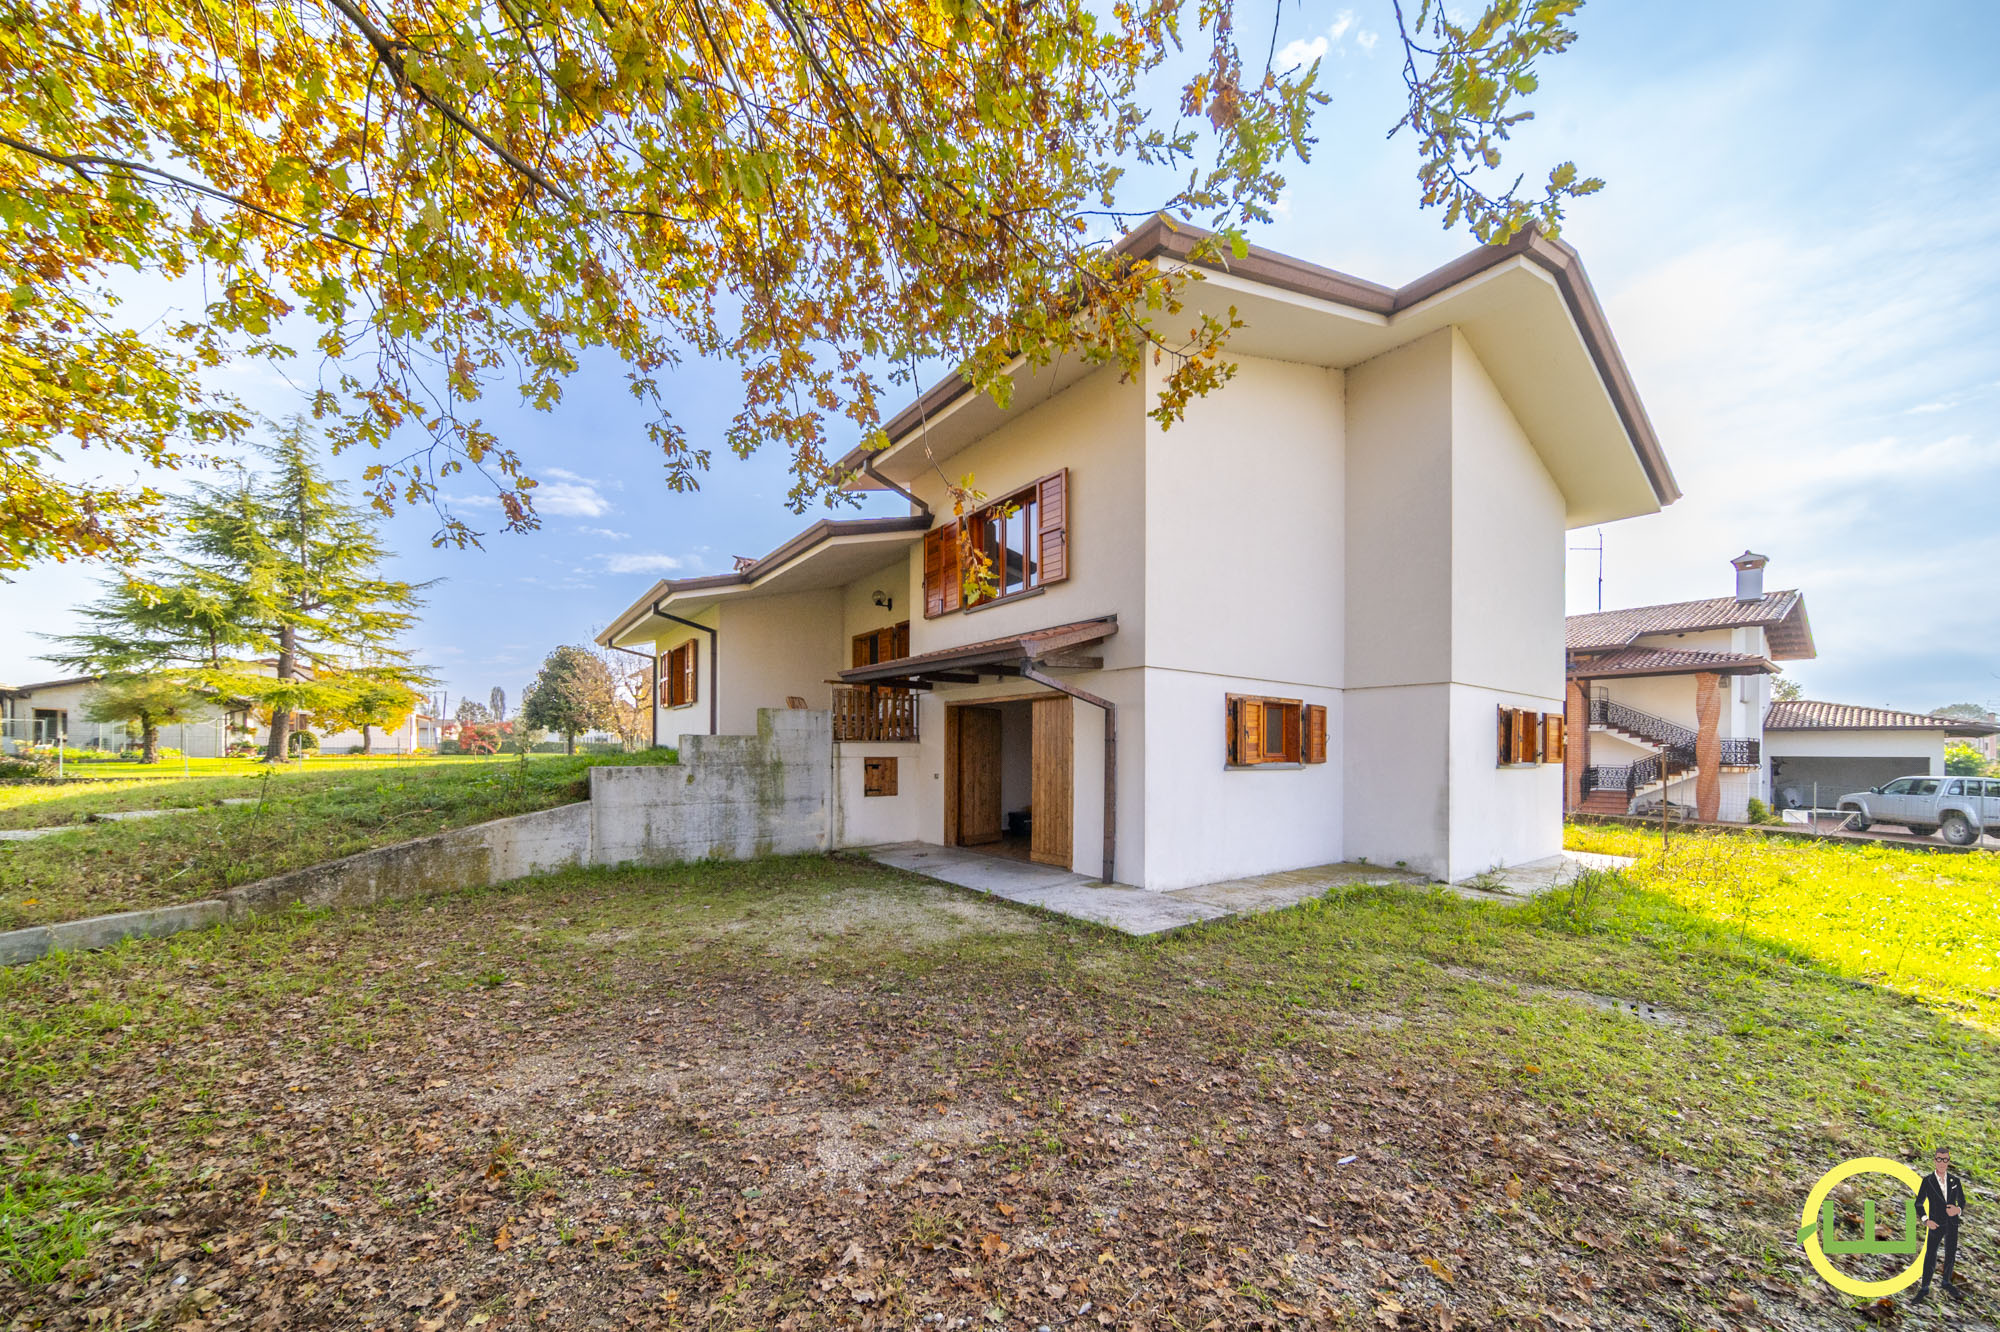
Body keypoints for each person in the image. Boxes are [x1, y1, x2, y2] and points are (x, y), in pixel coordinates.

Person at [1912, 1146, 1967, 1303]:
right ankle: (1925, 1286)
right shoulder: (1927, 1181)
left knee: (1950, 1253)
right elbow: (1919, 1203)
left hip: (1952, 1223)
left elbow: (1962, 1202)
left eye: (1945, 1160)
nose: (1942, 1163)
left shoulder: (1955, 1181)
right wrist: (1925, 1220)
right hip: (1935, 1223)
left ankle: (1946, 1282)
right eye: (1939, 1159)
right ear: (1935, 1160)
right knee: (1931, 1254)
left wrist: (1957, 1210)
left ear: (1948, 1161)